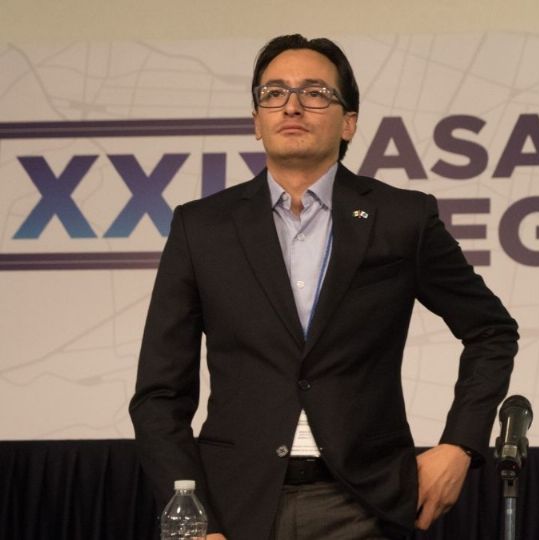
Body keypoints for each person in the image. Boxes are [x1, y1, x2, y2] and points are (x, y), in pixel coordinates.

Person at [129, 34, 518, 540]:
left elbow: (490, 331)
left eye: (315, 93)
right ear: (256, 120)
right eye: (273, 93)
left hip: (363, 504)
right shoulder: (201, 228)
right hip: (234, 508)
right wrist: (193, 517)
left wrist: (460, 446)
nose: (291, 105)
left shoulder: (401, 217)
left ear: (349, 121)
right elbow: (160, 393)